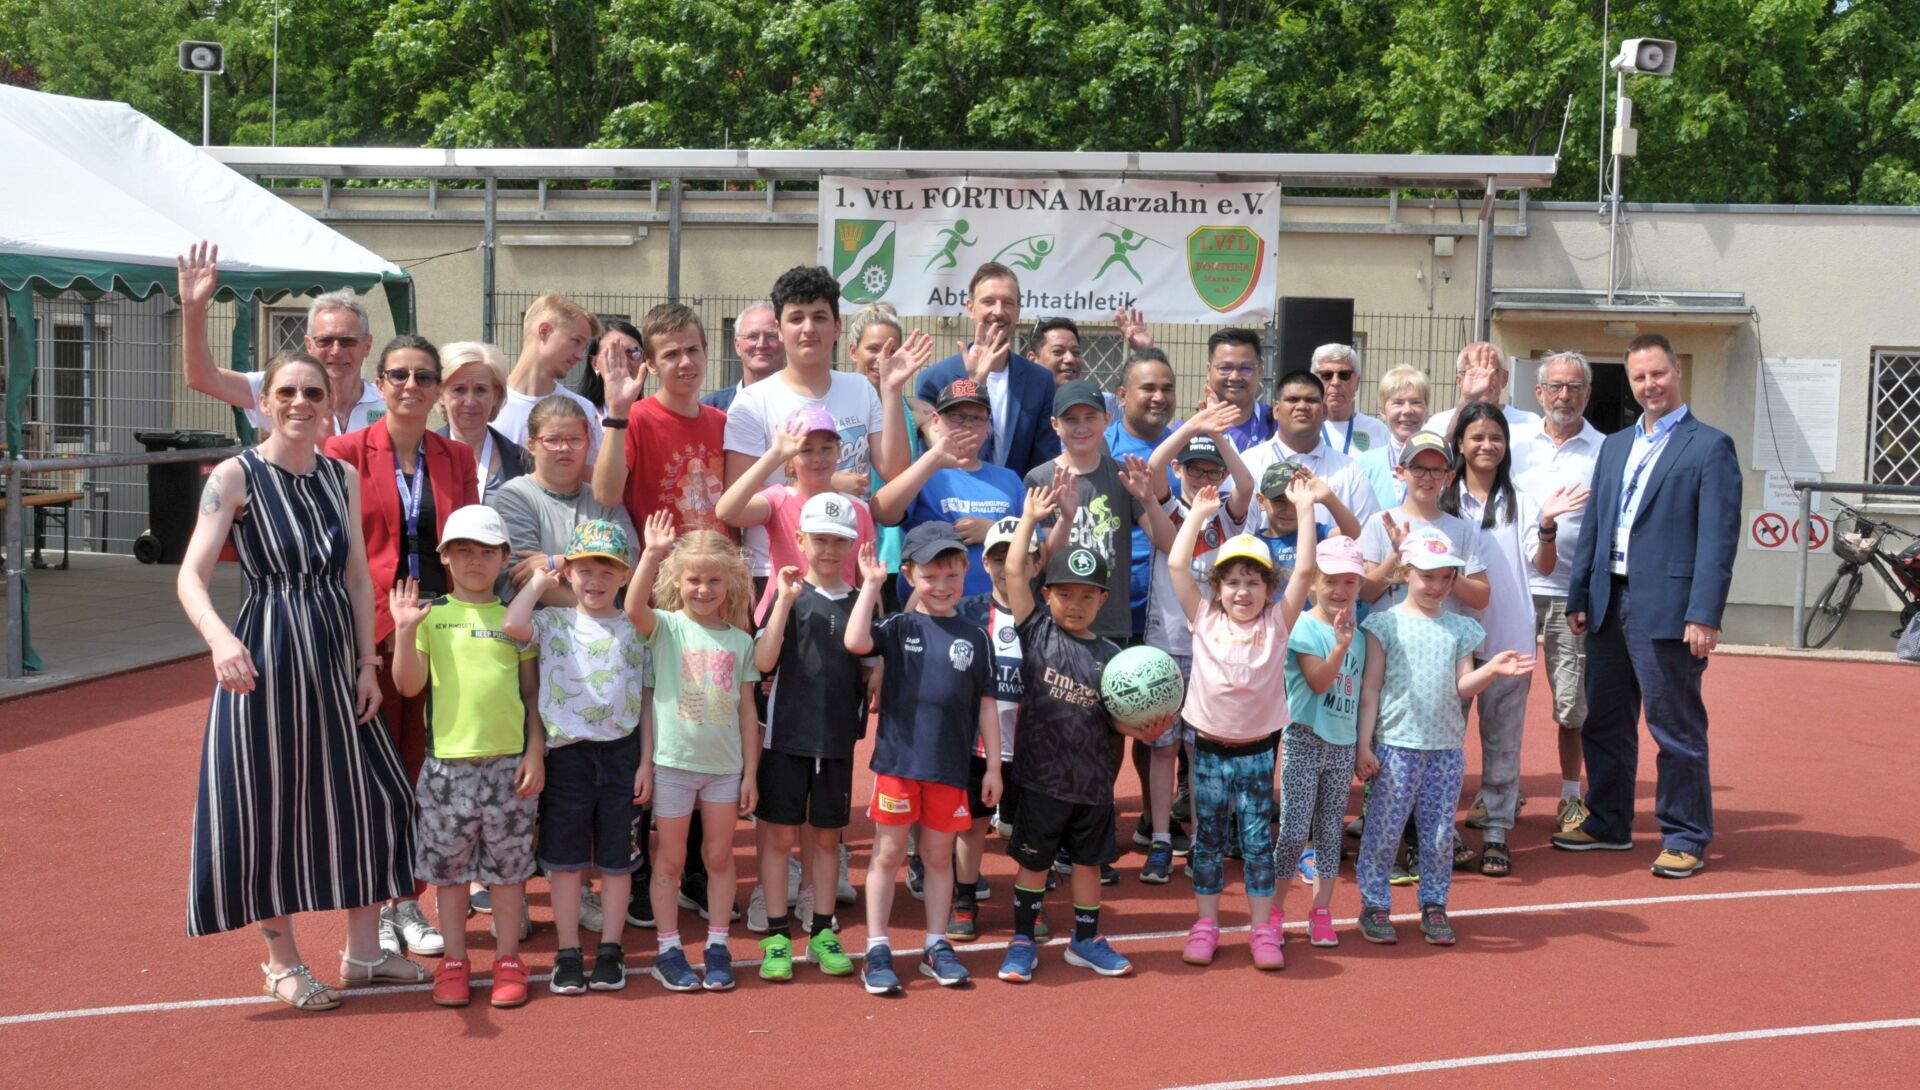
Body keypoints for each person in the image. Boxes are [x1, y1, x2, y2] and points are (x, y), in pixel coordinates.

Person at [178, 350, 418, 1012]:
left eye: (312, 391)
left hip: (334, 656)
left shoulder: (339, 475)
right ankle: (282, 962)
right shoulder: (235, 475)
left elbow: (352, 577)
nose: (299, 402)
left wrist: (368, 664)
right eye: (286, 390)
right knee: (268, 804)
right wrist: (221, 638)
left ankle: (365, 953)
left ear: (328, 400)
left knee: (373, 799)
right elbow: (189, 576)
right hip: (267, 654)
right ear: (264, 400)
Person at [1553, 333, 1740, 880]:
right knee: (1604, 722)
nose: (1649, 385)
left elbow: (1717, 540)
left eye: (1657, 374)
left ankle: (1685, 835)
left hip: (1669, 608)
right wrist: (1581, 593)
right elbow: (1594, 524)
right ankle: (1608, 820)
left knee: (1674, 728)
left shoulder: (1709, 446)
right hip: (1609, 601)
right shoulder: (1614, 446)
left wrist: (1704, 613)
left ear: (1677, 371)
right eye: (1639, 377)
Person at [323, 334, 480, 959]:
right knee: (375, 770)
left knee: (425, 766)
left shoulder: (456, 457)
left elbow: (469, 543)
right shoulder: (343, 451)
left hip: (441, 630)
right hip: (376, 632)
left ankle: (408, 898)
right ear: (379, 383)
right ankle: (377, 905)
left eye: (423, 376)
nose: (411, 386)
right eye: (398, 376)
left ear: (437, 388)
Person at [993, 490, 1172, 984]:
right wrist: (1030, 520)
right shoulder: (1038, 633)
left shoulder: (1116, 657)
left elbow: (1115, 717)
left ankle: (1085, 940)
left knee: (1089, 865)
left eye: (1087, 594)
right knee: (1033, 865)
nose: (1075, 603)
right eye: (1064, 593)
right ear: (1046, 595)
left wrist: (1141, 727)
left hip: (1094, 784)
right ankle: (1023, 940)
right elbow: (1013, 574)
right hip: (1040, 779)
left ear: (1103, 600)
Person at [387, 505, 542, 1009]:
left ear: (503, 558)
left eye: (486, 552)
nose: (475, 561)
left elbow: (532, 695)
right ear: (446, 557)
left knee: (508, 870)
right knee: (450, 872)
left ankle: (508, 959)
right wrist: (405, 631)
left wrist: (535, 751)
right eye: (463, 551)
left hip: (508, 765)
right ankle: (455, 960)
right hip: (446, 767)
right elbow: (409, 686)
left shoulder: (516, 621)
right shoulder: (431, 618)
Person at [1352, 529, 1532, 946]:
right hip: (1395, 747)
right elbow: (1371, 689)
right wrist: (1365, 745)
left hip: (1446, 750)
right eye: (1426, 576)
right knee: (1383, 830)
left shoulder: (1461, 628)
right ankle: (1374, 905)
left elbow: (1463, 685)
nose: (1436, 586)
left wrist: (1491, 671)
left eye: (1445, 578)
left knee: (1437, 835)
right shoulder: (1383, 624)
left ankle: (1434, 905)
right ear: (1405, 573)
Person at [1168, 479, 1318, 970]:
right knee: (1207, 840)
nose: (1242, 591)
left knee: (1257, 842)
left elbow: (1307, 571)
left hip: (1257, 753)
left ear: (1269, 588)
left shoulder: (1279, 621)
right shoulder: (1204, 618)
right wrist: (1200, 513)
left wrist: (1305, 508)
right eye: (1232, 581)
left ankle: (1260, 930)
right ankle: (1206, 925)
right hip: (1207, 752)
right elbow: (1176, 564)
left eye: (1254, 582)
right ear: (1217, 587)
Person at [845, 525, 999, 994]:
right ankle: (876, 948)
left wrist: (992, 766)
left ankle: (936, 945)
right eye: (930, 575)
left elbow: (987, 705)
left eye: (952, 573)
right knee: (888, 855)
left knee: (937, 857)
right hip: (898, 765)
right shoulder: (900, 626)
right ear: (909, 575)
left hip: (949, 769)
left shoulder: (976, 636)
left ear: (965, 573)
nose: (942, 584)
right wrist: (872, 585)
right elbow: (855, 643)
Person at [502, 520, 648, 995]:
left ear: (624, 577)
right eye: (584, 569)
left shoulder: (636, 628)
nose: (595, 581)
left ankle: (609, 948)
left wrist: (646, 761)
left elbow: (646, 700)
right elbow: (513, 623)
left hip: (622, 755)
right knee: (564, 862)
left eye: (608, 571)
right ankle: (568, 951)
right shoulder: (552, 622)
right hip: (566, 756)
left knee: (616, 861)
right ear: (570, 574)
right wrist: (548, 572)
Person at [1441, 403, 1587, 877]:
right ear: (1459, 443)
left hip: (1508, 635)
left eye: (1495, 437)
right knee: (1443, 743)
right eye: (1476, 437)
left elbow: (1542, 567)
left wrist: (1547, 528)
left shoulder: (1523, 499)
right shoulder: (1443, 499)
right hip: (1449, 642)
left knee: (1503, 744)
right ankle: (1442, 832)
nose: (1487, 446)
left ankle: (1498, 833)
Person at [623, 516, 762, 991]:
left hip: (724, 770)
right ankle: (668, 948)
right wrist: (652, 552)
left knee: (720, 856)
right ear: (677, 581)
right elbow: (632, 607)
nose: (703, 588)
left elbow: (747, 713)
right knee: (670, 860)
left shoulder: (741, 642)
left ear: (732, 583)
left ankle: (718, 945)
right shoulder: (665, 628)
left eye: (714, 580)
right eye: (694, 579)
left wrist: (750, 774)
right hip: (674, 766)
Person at [726, 265, 917, 592]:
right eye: (796, 318)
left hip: (850, 568)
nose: (808, 328)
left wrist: (892, 389)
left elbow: (894, 469)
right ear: (779, 327)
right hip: (775, 571)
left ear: (838, 326)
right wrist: (826, 482)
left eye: (819, 317)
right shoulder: (752, 402)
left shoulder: (861, 389)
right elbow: (739, 496)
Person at [748, 494, 869, 982]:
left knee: (825, 841)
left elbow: (869, 657)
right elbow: (763, 661)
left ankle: (822, 929)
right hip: (785, 738)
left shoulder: (861, 600)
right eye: (819, 539)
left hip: (836, 742)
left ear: (853, 543)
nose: (829, 549)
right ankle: (778, 933)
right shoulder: (787, 596)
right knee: (777, 838)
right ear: (799, 541)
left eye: (840, 541)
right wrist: (785, 600)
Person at [1140, 408, 1255, 878]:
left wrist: (1221, 441)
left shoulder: (1227, 516)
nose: (1203, 476)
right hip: (1166, 644)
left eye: (1211, 469)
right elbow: (1150, 471)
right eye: (1194, 467)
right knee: (1163, 747)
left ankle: (1205, 840)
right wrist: (1190, 429)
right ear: (1180, 469)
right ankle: (1164, 839)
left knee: (1201, 750)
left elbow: (1247, 486)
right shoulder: (1171, 509)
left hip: (1214, 649)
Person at [1511, 352, 1605, 834]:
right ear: (1539, 393)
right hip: (1516, 592)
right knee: (1504, 700)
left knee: (1571, 705)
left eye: (1574, 388)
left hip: (1571, 596)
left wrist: (1590, 592)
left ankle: (1571, 796)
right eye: (1555, 387)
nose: (1564, 396)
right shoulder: (1515, 445)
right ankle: (1502, 791)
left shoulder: (1606, 449)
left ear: (1588, 394)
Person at [950, 517, 1047, 941]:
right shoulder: (968, 613)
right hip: (978, 748)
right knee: (972, 826)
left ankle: (1032, 906)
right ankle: (965, 900)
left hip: (1031, 747)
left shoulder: (1046, 615)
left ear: (1035, 565)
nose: (1009, 567)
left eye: (1019, 559)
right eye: (999, 559)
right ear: (985, 563)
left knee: (1032, 831)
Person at [176, 242, 386, 435]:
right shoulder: (283, 391)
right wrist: (193, 308)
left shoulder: (386, 404)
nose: (336, 351)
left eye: (348, 341)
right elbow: (202, 378)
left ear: (367, 345)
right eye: (325, 341)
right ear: (309, 345)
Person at [1025, 379, 1176, 644]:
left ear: (1106, 420)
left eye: (1090, 417)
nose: (1081, 427)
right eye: (1071, 419)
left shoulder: (1123, 474)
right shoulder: (1041, 478)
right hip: (1058, 622)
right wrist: (1067, 518)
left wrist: (1150, 500)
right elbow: (1046, 562)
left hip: (1112, 622)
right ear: (1055, 425)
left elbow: (1168, 543)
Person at [1276, 535, 1370, 951]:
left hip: (1341, 744)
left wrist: (1360, 745)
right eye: (1331, 579)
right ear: (1313, 581)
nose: (1339, 590)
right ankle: (1275, 911)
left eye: (1350, 582)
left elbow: (1363, 694)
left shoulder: (1360, 637)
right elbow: (1317, 682)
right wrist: (1339, 646)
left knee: (1331, 833)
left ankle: (1321, 912)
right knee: (1295, 832)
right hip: (1304, 740)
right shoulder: (1303, 629)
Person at [718, 408, 877, 625]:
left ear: (839, 451)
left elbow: (867, 577)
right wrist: (774, 456)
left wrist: (875, 631)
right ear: (791, 458)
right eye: (806, 450)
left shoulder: (857, 509)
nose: (818, 458)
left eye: (827, 448)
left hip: (839, 618)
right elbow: (726, 511)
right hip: (783, 618)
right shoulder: (779, 498)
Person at [872, 379, 1027, 600]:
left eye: (976, 418)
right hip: (931, 607)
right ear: (936, 420)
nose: (967, 425)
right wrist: (933, 459)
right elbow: (881, 511)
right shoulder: (923, 471)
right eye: (957, 416)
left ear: (987, 427)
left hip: (995, 609)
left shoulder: (1009, 479)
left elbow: (1038, 546)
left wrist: (995, 531)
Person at [592, 302, 730, 536]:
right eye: (672, 354)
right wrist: (616, 413)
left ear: (706, 352)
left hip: (719, 568)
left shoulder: (723, 423)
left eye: (693, 350)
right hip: (662, 569)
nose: (686, 362)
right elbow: (605, 495)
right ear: (652, 364)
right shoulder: (634, 418)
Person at [914, 262, 1063, 476]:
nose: (998, 311)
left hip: (1018, 505)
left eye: (1008, 303)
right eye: (988, 302)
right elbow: (931, 460)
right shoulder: (934, 380)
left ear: (1019, 310)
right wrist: (975, 381)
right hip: (953, 505)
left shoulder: (1040, 381)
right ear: (971, 308)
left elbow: (1044, 461)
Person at [490, 395, 638, 611]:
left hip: (606, 638)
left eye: (575, 439)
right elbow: (522, 577)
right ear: (531, 444)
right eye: (552, 440)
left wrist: (558, 561)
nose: (564, 448)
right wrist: (595, 615)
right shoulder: (515, 496)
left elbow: (630, 563)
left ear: (588, 444)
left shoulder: (604, 499)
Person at [849, 303, 933, 614]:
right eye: (873, 348)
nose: (882, 358)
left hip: (896, 545)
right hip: (852, 542)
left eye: (892, 349)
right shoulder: (842, 404)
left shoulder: (913, 411)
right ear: (853, 351)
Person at [1239, 370, 1381, 532]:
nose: (1302, 406)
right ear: (1276, 410)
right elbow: (1240, 535)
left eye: (1311, 400)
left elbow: (1369, 535)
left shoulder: (1350, 469)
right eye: (1292, 399)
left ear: (1325, 411)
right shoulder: (1250, 462)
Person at [496, 292, 605, 461]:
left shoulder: (583, 410)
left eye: (583, 347)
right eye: (576, 341)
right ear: (544, 331)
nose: (580, 356)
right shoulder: (486, 403)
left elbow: (591, 482)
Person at [436, 341, 530, 502]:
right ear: (440, 394)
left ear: (497, 396)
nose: (470, 401)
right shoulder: (419, 456)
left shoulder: (523, 462)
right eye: (459, 389)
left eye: (481, 390)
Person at [1424, 342, 1543, 439]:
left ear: (1505, 378)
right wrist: (1466, 401)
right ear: (1459, 380)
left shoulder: (1529, 423)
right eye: (1473, 372)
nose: (1483, 380)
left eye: (1491, 370)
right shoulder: (1438, 424)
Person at [1357, 365, 1432, 511]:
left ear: (1426, 409)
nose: (1407, 410)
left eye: (1416, 402)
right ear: (1382, 411)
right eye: (1398, 403)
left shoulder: (1439, 463)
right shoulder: (1365, 464)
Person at [702, 302, 786, 413]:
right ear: (737, 346)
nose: (761, 345)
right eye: (752, 337)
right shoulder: (710, 409)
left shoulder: (805, 407)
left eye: (771, 336)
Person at [1312, 343, 1392, 455]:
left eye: (1344, 375)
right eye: (1327, 375)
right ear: (1314, 382)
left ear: (1357, 383)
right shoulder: (1304, 430)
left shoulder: (1378, 430)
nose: (1335, 382)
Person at [1203, 328, 1274, 451]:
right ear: (1208, 370)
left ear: (1260, 372)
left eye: (1246, 368)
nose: (1235, 377)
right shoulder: (1189, 428)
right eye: (1225, 368)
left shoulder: (1278, 423)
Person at [574, 318, 644, 415]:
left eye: (633, 352)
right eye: (614, 354)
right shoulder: (579, 414)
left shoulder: (652, 415)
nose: (624, 362)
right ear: (595, 364)